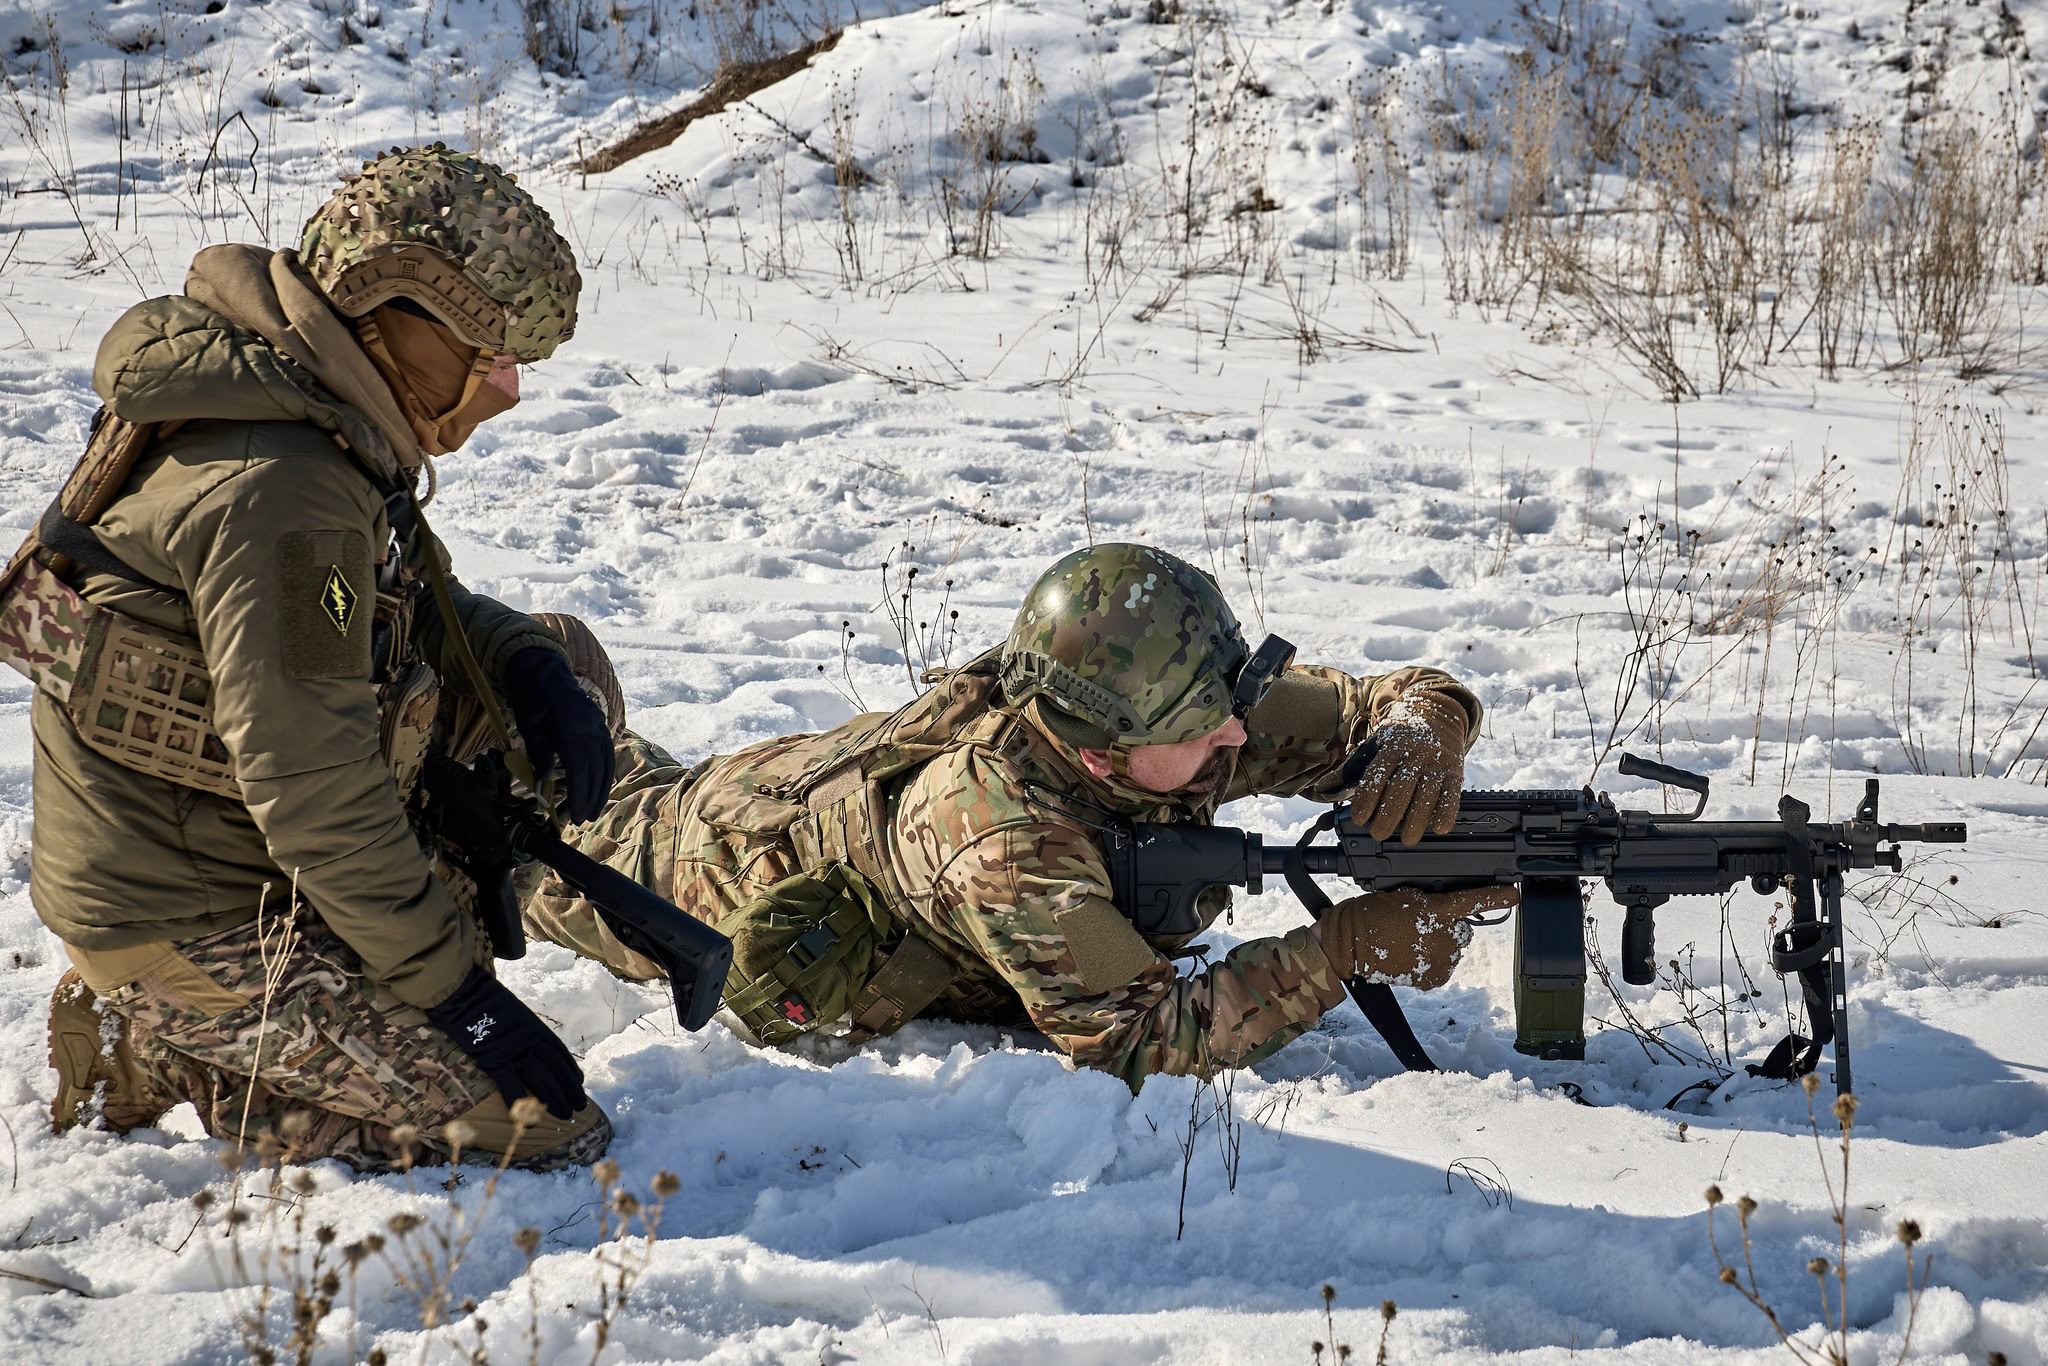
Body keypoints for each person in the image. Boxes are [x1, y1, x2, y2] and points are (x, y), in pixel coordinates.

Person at [10, 144, 619, 1171]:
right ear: (387, 315)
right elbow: (311, 787)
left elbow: (390, 605)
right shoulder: (284, 492)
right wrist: (459, 1002)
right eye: (486, 347)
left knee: (565, 664)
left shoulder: (291, 401)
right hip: (190, 912)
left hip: (231, 846)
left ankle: (310, 984)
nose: (505, 384)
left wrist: (517, 659)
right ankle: (159, 1040)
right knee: (544, 1126)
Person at [522, 543, 1512, 1088]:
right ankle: (512, 710)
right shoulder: (1003, 839)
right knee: (543, 839)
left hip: (798, 781)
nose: (1234, 737)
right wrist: (1336, 950)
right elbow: (1143, 1037)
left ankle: (569, 716)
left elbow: (1372, 702)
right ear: (1096, 750)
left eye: (1229, 704)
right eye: (1202, 725)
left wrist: (1426, 722)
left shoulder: (1178, 704)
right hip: (710, 865)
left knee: (610, 769)